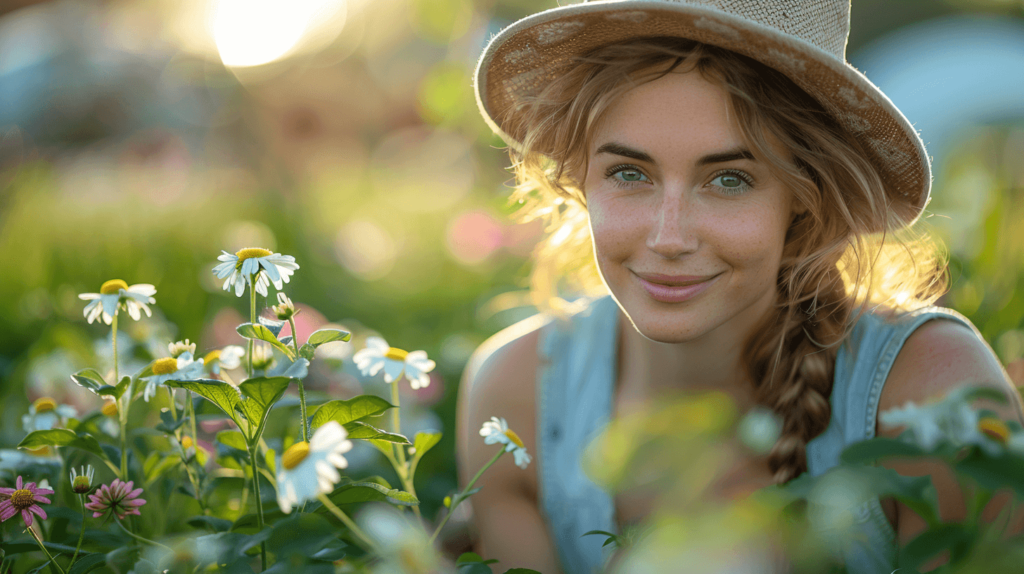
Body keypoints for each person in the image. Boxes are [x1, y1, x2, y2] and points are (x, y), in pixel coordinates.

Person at [455, 1, 1024, 573]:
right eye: (629, 173)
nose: (669, 236)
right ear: (579, 177)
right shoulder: (518, 396)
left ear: (806, 196)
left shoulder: (933, 396)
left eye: (730, 179)